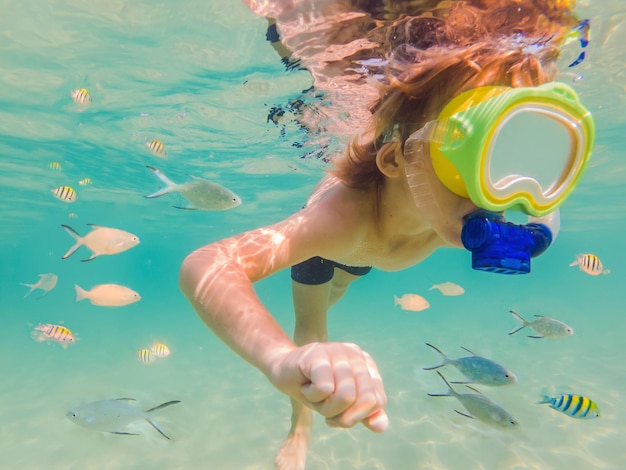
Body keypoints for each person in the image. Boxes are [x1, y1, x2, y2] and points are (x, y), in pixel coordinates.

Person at [179, 1, 593, 468]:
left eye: (511, 161)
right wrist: (279, 360)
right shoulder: (341, 220)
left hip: (366, 254)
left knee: (346, 279)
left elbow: (544, 207)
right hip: (338, 245)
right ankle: (298, 427)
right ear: (395, 159)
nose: (495, 195)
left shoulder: (461, 209)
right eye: (463, 159)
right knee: (313, 327)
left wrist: (540, 214)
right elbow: (207, 264)